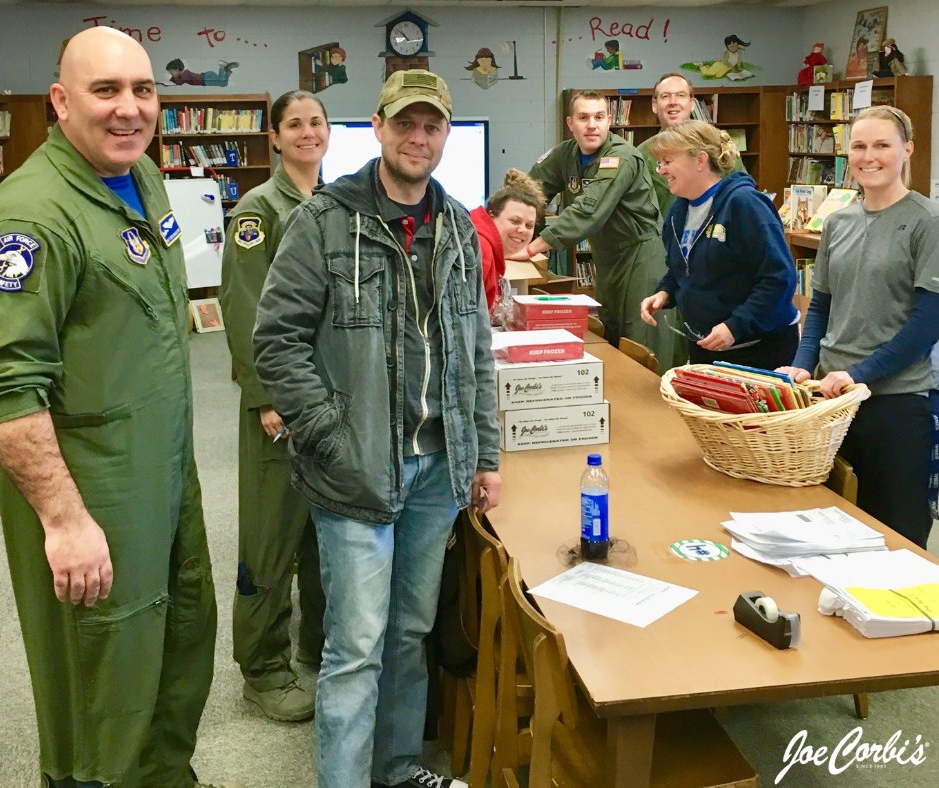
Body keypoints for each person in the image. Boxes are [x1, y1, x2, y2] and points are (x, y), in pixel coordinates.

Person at [253, 68, 501, 788]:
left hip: (436, 471)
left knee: (409, 635)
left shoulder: (458, 223)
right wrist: (329, 436)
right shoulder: (327, 217)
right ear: (380, 127)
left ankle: (395, 768)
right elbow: (277, 339)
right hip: (355, 470)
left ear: (444, 134)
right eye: (405, 124)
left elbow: (476, 348)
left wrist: (483, 453)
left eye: (432, 126)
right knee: (355, 648)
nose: (418, 138)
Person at [0, 27, 221, 787]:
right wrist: (64, 520)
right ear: (60, 102)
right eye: (106, 91)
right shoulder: (30, 215)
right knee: (100, 678)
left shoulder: (144, 178)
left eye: (144, 89)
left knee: (181, 636)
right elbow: (7, 389)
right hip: (93, 490)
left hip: (164, 471)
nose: (130, 110)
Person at [778, 106, 939, 549]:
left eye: (882, 145)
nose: (870, 157)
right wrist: (802, 365)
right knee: (831, 532)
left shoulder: (928, 222)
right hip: (830, 402)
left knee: (895, 535)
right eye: (860, 146)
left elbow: (927, 323)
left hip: (894, 404)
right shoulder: (838, 222)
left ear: (907, 150)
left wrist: (858, 374)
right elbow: (821, 309)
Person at [219, 89, 330, 722]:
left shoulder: (333, 201)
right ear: (275, 135)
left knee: (321, 528)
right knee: (271, 536)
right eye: (295, 124)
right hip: (279, 404)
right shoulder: (260, 210)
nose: (308, 132)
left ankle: (314, 644)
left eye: (316, 122)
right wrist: (267, 398)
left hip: (326, 399)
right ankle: (261, 669)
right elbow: (243, 309)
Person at [521, 89, 675, 367]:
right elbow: (529, 192)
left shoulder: (621, 157)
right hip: (607, 257)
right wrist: (512, 231)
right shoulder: (565, 154)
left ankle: (654, 406)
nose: (592, 124)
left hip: (642, 255)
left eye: (599, 117)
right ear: (571, 123)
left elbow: (590, 208)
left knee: (641, 340)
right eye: (583, 117)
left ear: (608, 121)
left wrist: (532, 248)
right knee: (611, 333)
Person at [639, 121, 799, 369]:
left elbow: (779, 279)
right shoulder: (678, 210)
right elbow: (682, 268)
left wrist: (735, 326)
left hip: (757, 350)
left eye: (668, 161)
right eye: (660, 162)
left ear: (700, 160)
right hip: (706, 347)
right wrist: (665, 292)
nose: (661, 171)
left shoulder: (744, 204)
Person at [638, 73, 746, 218]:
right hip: (665, 237)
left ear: (692, 103)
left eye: (681, 95)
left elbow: (742, 189)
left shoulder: (717, 142)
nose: (673, 101)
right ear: (654, 105)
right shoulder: (641, 154)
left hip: (714, 234)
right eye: (665, 96)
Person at [469, 167, 546, 319]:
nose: (522, 230)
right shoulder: (480, 248)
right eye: (515, 221)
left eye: (529, 225)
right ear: (491, 216)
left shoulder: (486, 244)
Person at [166, 57, 239, 87]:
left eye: (172, 72)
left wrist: (170, 80)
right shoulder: (182, 75)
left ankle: (222, 67)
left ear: (178, 70)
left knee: (222, 82)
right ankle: (227, 70)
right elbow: (177, 81)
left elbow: (179, 82)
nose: (171, 74)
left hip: (206, 79)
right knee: (224, 83)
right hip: (206, 77)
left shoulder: (185, 74)